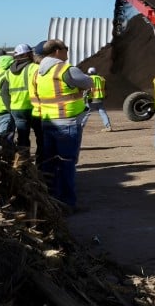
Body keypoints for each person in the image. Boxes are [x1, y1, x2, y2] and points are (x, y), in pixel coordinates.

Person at [32, 39, 92, 211]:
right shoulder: (66, 69)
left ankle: (51, 200)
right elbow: (87, 82)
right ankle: (67, 203)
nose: (67, 51)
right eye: (66, 48)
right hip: (67, 123)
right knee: (66, 163)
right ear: (57, 51)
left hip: (48, 122)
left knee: (50, 163)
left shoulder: (38, 72)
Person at [6, 44, 39, 155]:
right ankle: (41, 164)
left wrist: (9, 107)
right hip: (32, 107)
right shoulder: (33, 67)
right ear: (26, 54)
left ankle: (23, 163)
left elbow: (4, 90)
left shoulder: (9, 71)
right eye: (31, 53)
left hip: (16, 108)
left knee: (22, 137)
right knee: (41, 136)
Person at [85, 67, 113, 132]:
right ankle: (108, 127)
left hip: (91, 99)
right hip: (100, 99)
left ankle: (80, 127)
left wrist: (84, 97)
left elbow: (87, 89)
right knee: (103, 113)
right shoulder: (102, 79)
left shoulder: (89, 79)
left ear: (89, 73)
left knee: (85, 113)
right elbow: (105, 89)